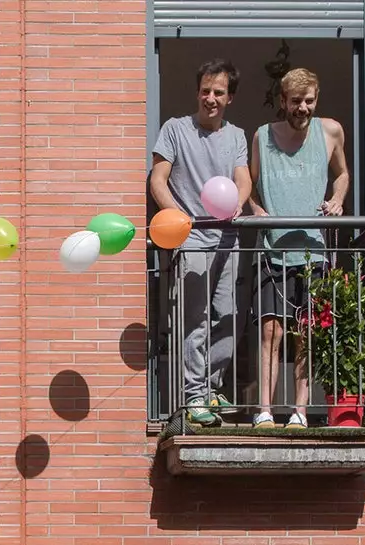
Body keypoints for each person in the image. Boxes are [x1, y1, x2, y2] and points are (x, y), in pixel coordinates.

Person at [150, 59, 252, 426]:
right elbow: (158, 180)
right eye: (206, 90)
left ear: (230, 98)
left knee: (228, 316)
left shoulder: (237, 136)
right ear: (198, 92)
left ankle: (211, 388)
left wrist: (239, 202)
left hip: (228, 239)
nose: (211, 98)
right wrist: (177, 217)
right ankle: (193, 395)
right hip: (190, 237)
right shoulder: (175, 129)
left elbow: (242, 178)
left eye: (219, 93)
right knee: (196, 320)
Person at [248, 67, 350, 428]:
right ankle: (264, 410)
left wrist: (337, 199)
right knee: (271, 332)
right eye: (295, 102)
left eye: (309, 101)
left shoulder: (331, 131)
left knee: (306, 332)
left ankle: (300, 412)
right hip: (274, 249)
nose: (303, 108)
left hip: (313, 251)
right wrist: (255, 208)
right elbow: (251, 185)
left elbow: (342, 173)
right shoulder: (263, 136)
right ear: (282, 102)